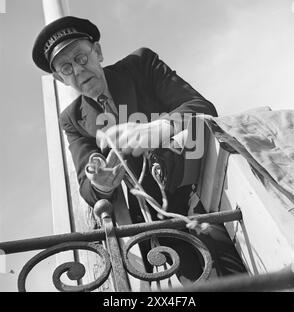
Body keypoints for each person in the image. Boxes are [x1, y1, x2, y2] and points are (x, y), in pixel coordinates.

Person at [32, 16, 246, 285]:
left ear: (97, 52)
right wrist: (101, 184)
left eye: (81, 58)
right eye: (66, 68)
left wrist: (158, 128)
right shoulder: (72, 119)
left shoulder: (141, 64)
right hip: (157, 231)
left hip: (198, 198)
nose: (77, 70)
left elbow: (200, 107)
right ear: (59, 78)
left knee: (238, 277)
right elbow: (88, 187)